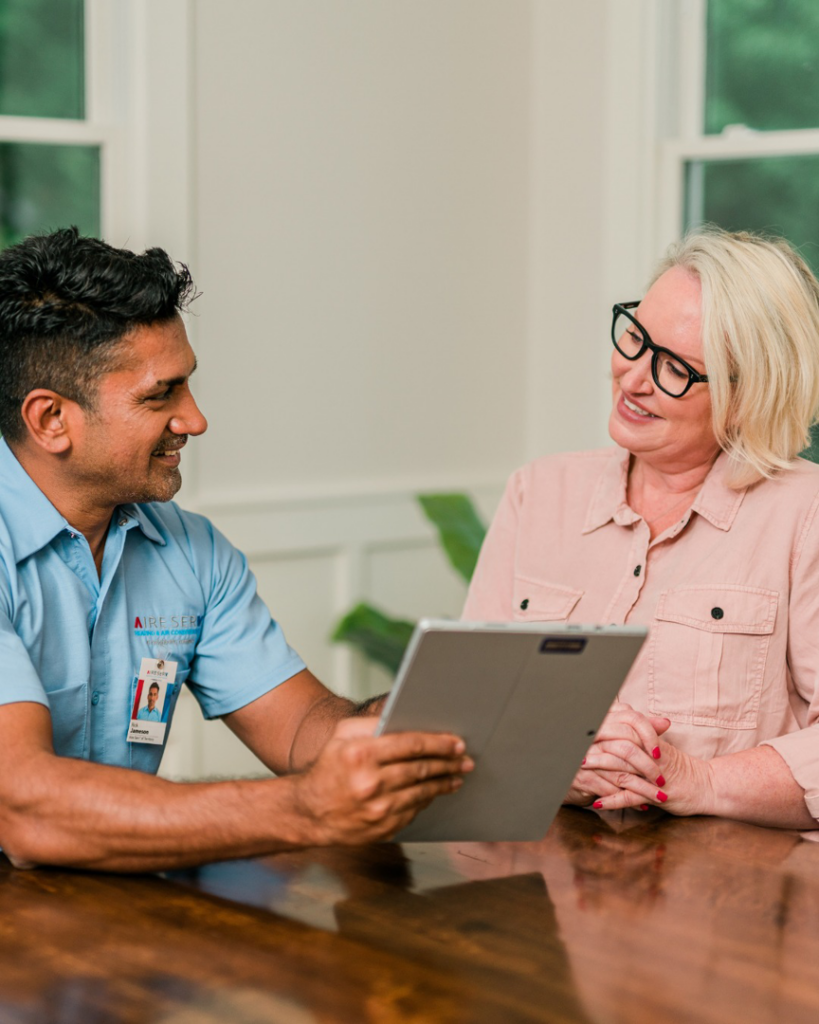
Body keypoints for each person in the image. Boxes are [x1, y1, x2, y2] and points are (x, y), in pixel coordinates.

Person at [0, 228, 473, 873]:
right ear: (50, 419)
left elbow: (304, 728)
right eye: (160, 394)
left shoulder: (189, 549)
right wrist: (304, 809)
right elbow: (24, 810)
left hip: (110, 911)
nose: (195, 420)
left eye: (187, 385)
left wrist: (397, 732)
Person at [463, 227, 819, 830]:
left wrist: (695, 780)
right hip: (541, 876)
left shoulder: (804, 514)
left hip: (732, 894)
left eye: (675, 368)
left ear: (748, 397)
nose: (633, 379)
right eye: (635, 338)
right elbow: (469, 702)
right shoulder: (539, 492)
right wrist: (552, 758)